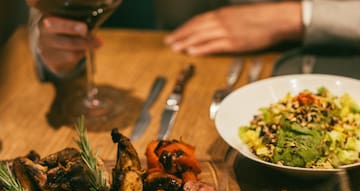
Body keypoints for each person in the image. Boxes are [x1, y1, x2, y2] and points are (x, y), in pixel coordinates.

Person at [26, 0, 360, 80]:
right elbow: (42, 15)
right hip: (163, 55)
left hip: (320, 62)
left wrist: (299, 16)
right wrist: (55, 48)